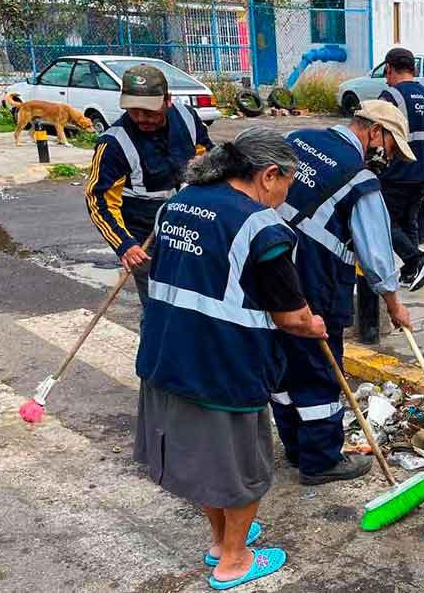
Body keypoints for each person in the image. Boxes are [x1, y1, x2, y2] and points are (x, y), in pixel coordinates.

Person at [134, 127, 326, 590]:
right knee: (242, 469)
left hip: (165, 355)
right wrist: (312, 324)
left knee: (205, 460)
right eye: (287, 184)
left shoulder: (178, 203)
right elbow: (291, 316)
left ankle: (221, 539)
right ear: (269, 175)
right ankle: (235, 561)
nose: (285, 196)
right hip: (223, 364)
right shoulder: (261, 226)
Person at [273, 100, 414, 485]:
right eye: (390, 145)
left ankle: (295, 447)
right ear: (375, 132)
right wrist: (394, 303)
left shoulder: (297, 139)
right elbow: (376, 255)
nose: (388, 156)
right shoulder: (360, 179)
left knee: (281, 366)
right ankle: (319, 460)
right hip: (315, 282)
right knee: (318, 371)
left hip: (268, 274)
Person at [85, 64, 213, 311]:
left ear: (167, 101)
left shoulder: (187, 117)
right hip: (144, 236)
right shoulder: (113, 144)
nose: (142, 118)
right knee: (158, 306)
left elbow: (207, 150)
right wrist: (125, 244)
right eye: (134, 111)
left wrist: (207, 163)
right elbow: (98, 201)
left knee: (197, 298)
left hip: (189, 223)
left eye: (150, 111)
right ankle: (154, 348)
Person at [378, 47, 424, 291]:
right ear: (413, 69)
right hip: (423, 172)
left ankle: (417, 259)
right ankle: (411, 273)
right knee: (409, 221)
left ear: (389, 69)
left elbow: (379, 135)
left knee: (384, 222)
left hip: (397, 172)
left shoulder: (391, 95)